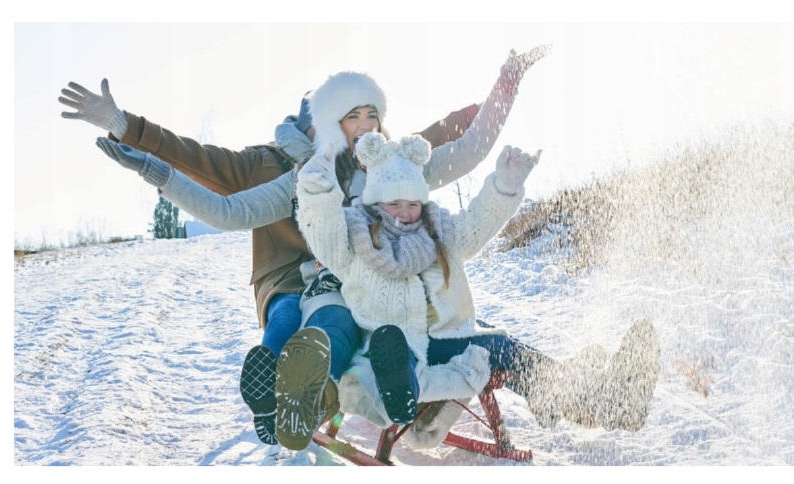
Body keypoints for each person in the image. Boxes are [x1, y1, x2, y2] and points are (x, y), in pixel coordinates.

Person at [85, 45, 552, 450]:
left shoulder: (391, 162)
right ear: (328, 124)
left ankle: (556, 388)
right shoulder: (297, 175)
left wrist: (506, 85)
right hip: (323, 289)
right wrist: (142, 152)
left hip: (405, 293)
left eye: (373, 115)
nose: (367, 126)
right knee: (322, 320)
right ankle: (297, 401)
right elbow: (226, 208)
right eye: (353, 117)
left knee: (474, 334)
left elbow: (462, 146)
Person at [295, 123, 660, 444]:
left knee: (503, 347)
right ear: (375, 200)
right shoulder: (355, 237)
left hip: (444, 338)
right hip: (385, 343)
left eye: (413, 202)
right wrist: (316, 194)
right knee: (400, 348)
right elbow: (323, 234)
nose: (406, 212)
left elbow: (475, 225)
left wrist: (503, 187)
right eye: (394, 203)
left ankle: (598, 398)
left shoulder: (437, 230)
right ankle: (401, 391)